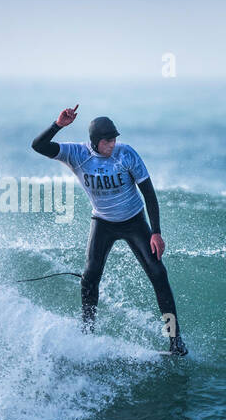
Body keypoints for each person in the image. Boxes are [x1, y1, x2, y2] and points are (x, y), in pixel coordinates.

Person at [31, 104, 187, 355]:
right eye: (107, 141)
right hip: (102, 222)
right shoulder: (77, 154)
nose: (112, 144)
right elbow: (38, 146)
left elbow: (149, 193)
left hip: (134, 221)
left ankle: (175, 339)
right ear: (95, 141)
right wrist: (58, 125)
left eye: (114, 139)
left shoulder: (127, 154)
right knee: (90, 276)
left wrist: (156, 232)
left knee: (159, 275)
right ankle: (87, 334)